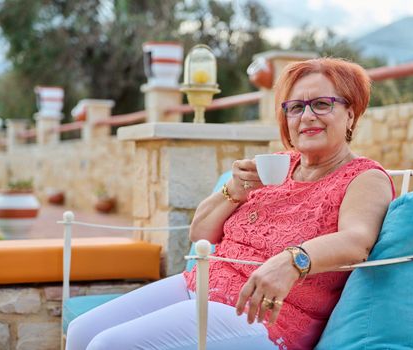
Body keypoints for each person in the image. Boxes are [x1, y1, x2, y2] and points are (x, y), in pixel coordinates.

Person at [66, 57, 395, 350]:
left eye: (322, 104)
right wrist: (233, 191)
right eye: (296, 107)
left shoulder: (364, 177)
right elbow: (200, 233)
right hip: (203, 284)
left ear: (350, 114)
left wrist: (293, 261)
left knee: (108, 345)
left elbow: (357, 241)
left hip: (266, 316)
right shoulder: (276, 166)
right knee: (81, 332)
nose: (307, 116)